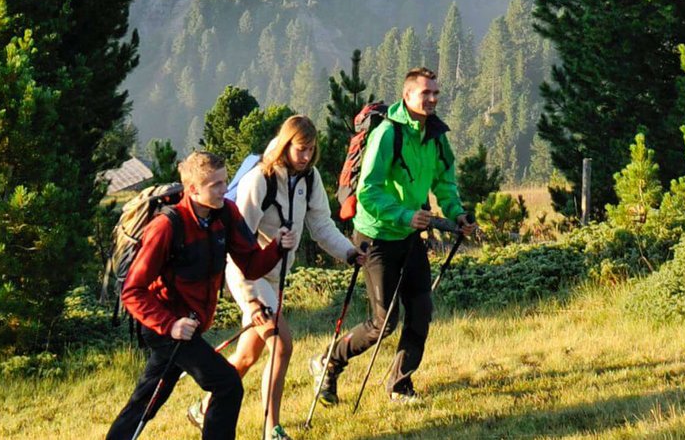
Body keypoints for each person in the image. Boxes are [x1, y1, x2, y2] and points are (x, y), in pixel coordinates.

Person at [189, 116, 365, 440]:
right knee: (282, 345)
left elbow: (322, 226)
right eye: (301, 149)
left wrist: (350, 253)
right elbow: (235, 243)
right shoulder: (261, 179)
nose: (307, 156)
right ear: (286, 145)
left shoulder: (309, 179)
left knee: (246, 355)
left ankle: (203, 408)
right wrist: (251, 298)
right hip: (249, 275)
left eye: (311, 150)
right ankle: (272, 430)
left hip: (275, 277)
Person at [312, 67, 479, 406]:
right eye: (425, 93)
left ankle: (399, 385)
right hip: (376, 236)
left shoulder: (435, 135)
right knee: (383, 322)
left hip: (409, 233)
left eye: (435, 93)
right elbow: (368, 191)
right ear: (408, 96)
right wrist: (406, 214)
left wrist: (457, 212)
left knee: (421, 310)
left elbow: (444, 182)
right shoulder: (387, 134)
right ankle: (329, 361)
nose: (432, 99)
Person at [106, 152, 297, 440]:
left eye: (224, 181)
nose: (224, 190)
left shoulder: (226, 214)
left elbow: (251, 265)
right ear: (193, 189)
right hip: (167, 329)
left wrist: (278, 247)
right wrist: (171, 325)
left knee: (147, 400)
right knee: (227, 384)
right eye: (216, 185)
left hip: (187, 329)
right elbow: (133, 291)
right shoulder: (167, 227)